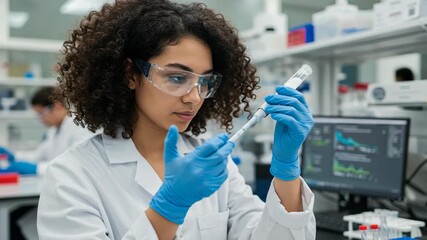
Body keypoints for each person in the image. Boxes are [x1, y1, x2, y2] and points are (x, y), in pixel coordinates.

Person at [37, 0, 316, 239]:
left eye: (205, 81)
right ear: (131, 75)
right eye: (176, 77)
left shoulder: (212, 163)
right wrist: (169, 207)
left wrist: (286, 171)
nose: (194, 97)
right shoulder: (72, 175)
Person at [0, 86, 94, 240]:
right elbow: (38, 155)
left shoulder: (79, 127)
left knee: (11, 221)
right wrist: (14, 156)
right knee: (10, 219)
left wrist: (36, 169)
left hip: (69, 197)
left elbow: (75, 168)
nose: (41, 119)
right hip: (50, 189)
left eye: (41, 114)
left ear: (57, 106)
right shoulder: (54, 131)